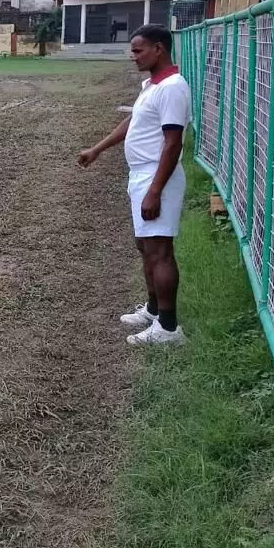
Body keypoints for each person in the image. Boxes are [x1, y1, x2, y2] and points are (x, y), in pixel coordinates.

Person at [77, 24, 191, 346]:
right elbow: (135, 122)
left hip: (158, 176)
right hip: (142, 175)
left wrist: (155, 190)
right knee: (145, 247)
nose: (133, 57)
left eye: (138, 50)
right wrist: (97, 149)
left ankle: (168, 329)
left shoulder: (172, 88)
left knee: (160, 251)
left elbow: (172, 144)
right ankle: (154, 311)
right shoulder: (152, 86)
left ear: (159, 49)